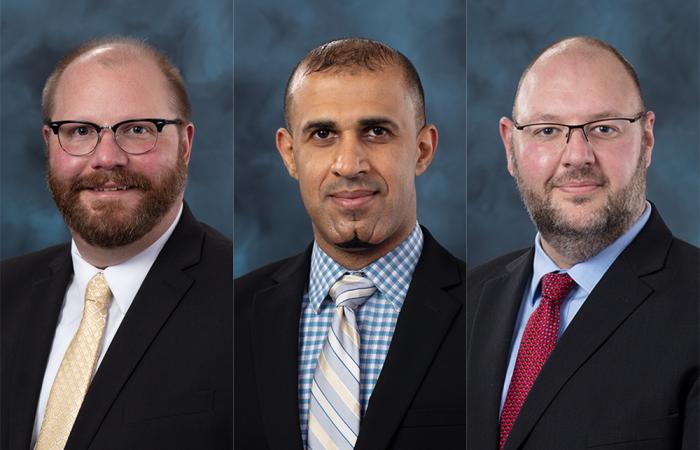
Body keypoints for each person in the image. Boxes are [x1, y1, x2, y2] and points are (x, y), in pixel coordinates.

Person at [0, 37, 232, 450]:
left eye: (138, 130)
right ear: (49, 144)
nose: (107, 158)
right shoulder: (6, 292)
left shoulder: (244, 301)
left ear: (186, 144)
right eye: (79, 131)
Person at [467, 36, 698, 450]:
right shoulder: (463, 300)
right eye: (548, 130)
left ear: (646, 140)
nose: (577, 156)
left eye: (604, 128)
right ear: (510, 146)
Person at [235, 38, 465, 449]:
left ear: (422, 148)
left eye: (376, 131)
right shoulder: (228, 316)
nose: (348, 164)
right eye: (323, 134)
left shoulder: (490, 314)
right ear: (290, 154)